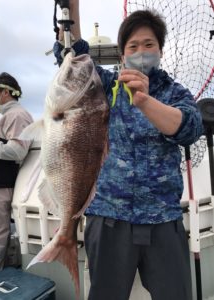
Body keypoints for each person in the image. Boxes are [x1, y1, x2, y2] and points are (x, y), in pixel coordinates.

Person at [54, 2, 204, 300]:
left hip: (164, 219)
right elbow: (73, 59)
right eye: (132, 46)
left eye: (148, 44)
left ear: (160, 50)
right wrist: (71, 10)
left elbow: (190, 128)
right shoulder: (105, 85)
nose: (140, 51)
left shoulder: (174, 93)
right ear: (122, 55)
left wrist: (145, 101)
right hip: (108, 217)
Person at [0, 72, 33, 276]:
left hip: (1, 186)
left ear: (5, 92)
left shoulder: (17, 115)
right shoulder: (10, 115)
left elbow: (18, 150)